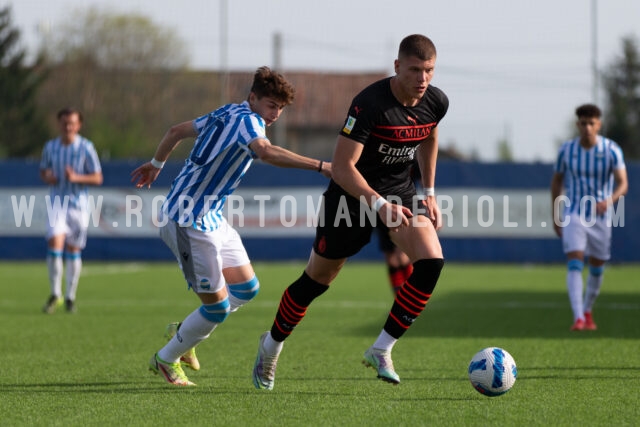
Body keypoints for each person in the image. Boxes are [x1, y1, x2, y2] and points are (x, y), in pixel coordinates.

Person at [252, 34, 449, 390]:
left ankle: (381, 348)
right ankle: (271, 345)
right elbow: (343, 167)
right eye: (416, 70)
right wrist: (377, 204)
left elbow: (430, 136)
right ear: (397, 67)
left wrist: (430, 192)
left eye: (430, 71)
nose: (423, 79)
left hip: (400, 194)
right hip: (349, 199)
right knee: (316, 282)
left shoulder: (435, 101)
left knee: (432, 260)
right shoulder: (369, 104)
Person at [131, 66, 331, 386]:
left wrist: (156, 165)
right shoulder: (249, 121)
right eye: (271, 105)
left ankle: (183, 332)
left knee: (246, 289)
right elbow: (265, 152)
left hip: (212, 218)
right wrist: (320, 166)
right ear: (253, 97)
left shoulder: (228, 111)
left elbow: (174, 131)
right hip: (187, 221)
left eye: (280, 107)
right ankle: (165, 359)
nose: (276, 113)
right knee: (218, 309)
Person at [551, 103, 628, 331]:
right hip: (574, 212)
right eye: (583, 123)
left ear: (599, 124)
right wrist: (556, 214)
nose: (587, 127)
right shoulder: (567, 150)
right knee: (574, 261)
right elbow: (556, 182)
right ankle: (578, 318)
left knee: (597, 266)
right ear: (578, 124)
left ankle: (587, 309)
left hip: (601, 216)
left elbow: (623, 183)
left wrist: (610, 201)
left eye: (591, 123)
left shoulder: (611, 149)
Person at [40, 108, 103, 314]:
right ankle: (55, 293)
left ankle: (70, 297)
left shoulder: (85, 147)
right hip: (57, 203)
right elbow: (43, 170)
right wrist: (48, 177)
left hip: (79, 206)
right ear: (59, 124)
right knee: (54, 243)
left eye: (72, 123)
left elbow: (97, 177)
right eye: (64, 123)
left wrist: (76, 177)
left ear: (78, 125)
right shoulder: (50, 147)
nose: (68, 127)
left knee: (74, 250)